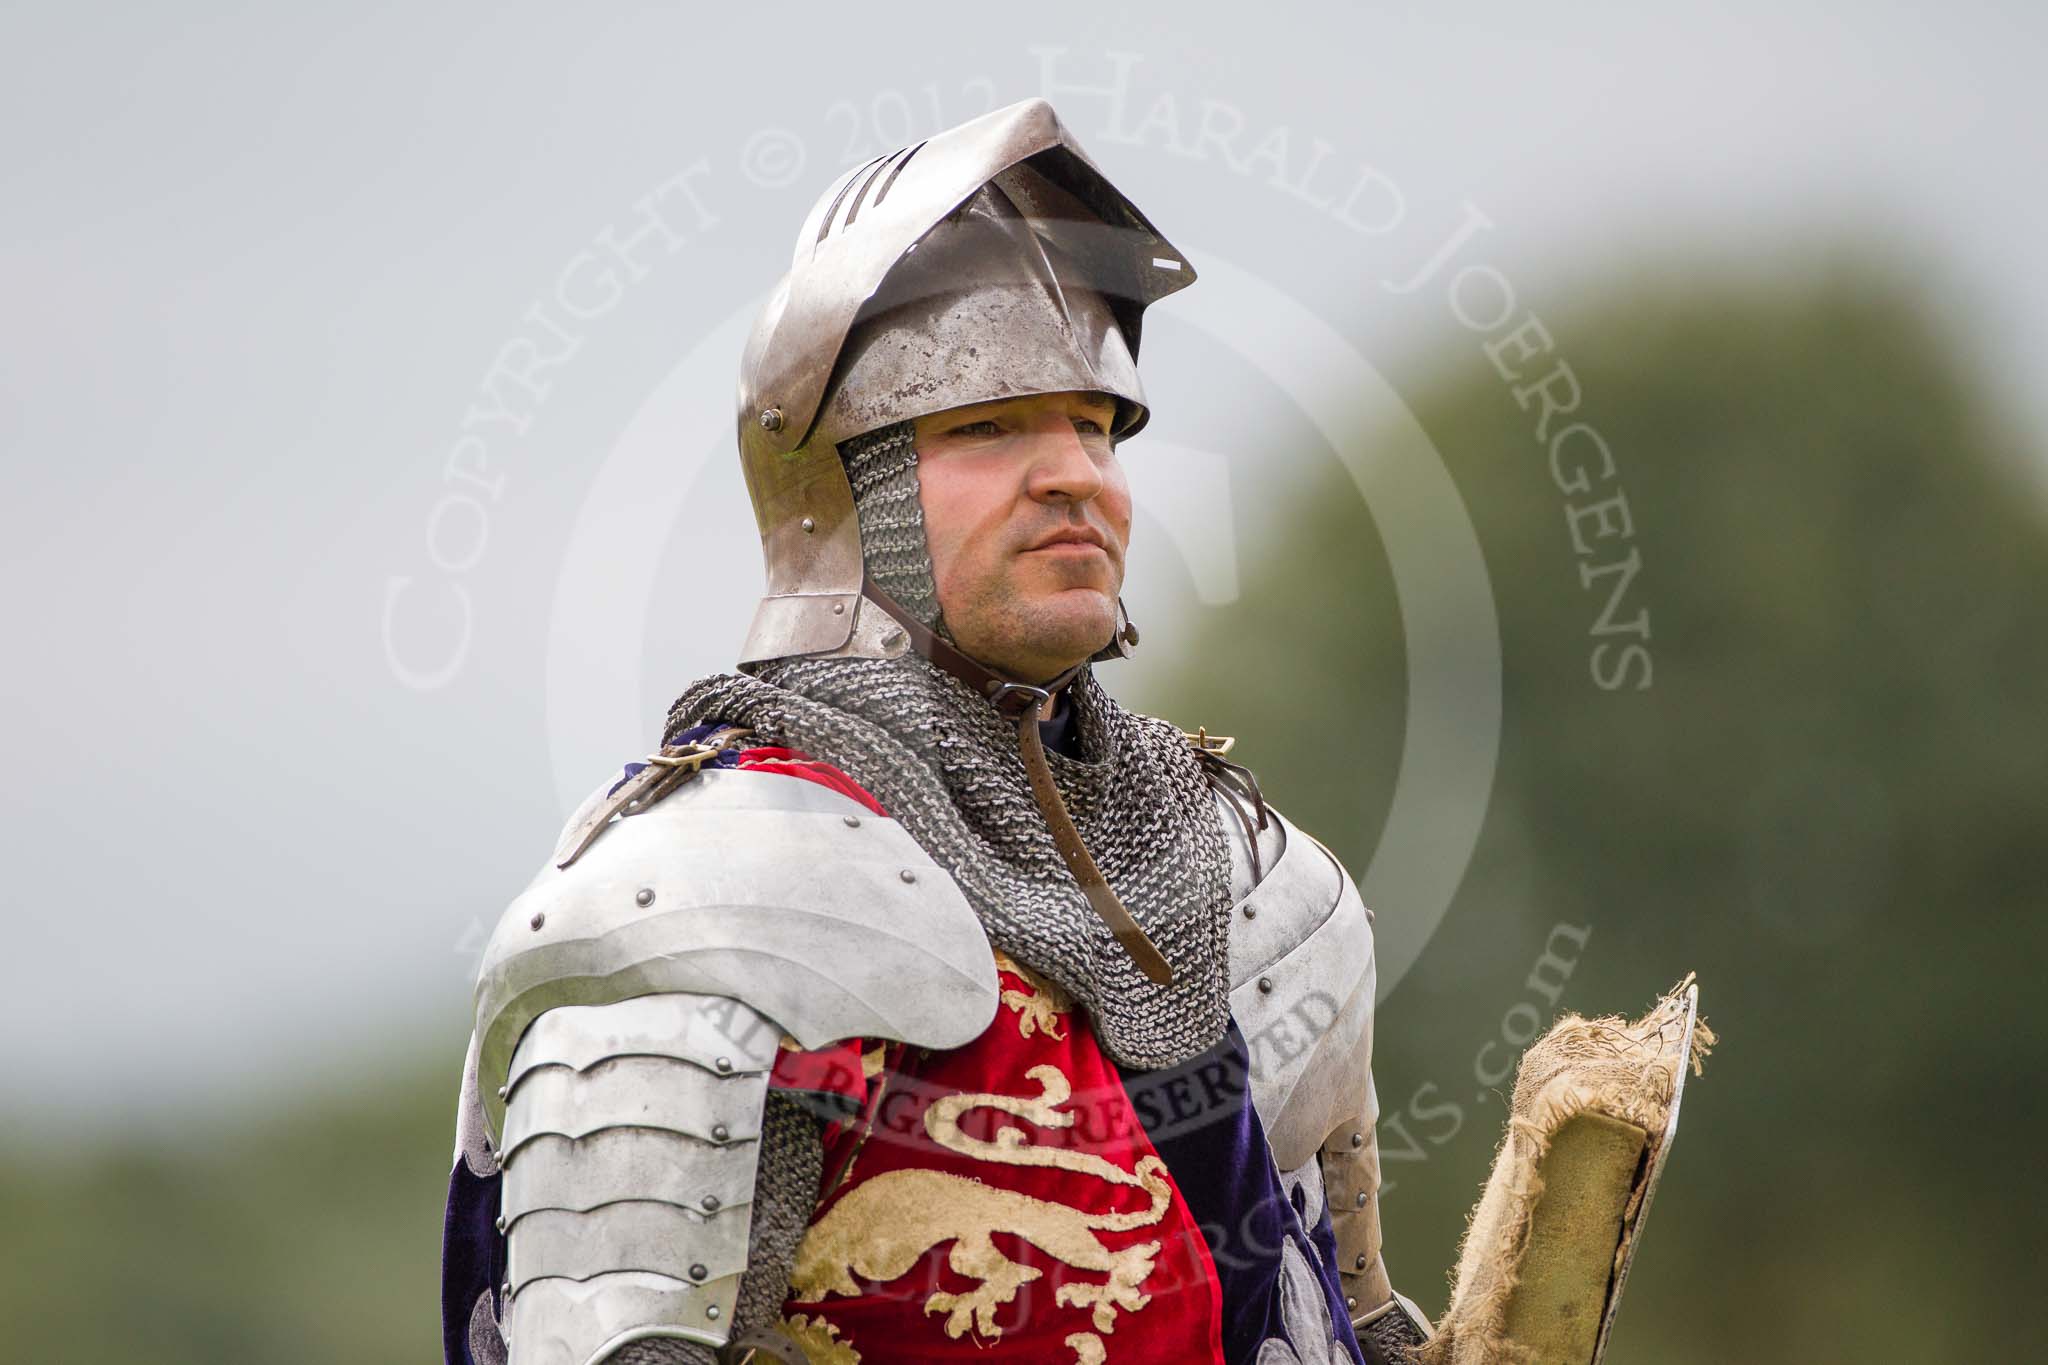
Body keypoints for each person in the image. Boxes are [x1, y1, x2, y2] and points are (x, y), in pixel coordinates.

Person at [441, 97, 1434, 1365]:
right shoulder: (706, 895)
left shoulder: (1256, 886)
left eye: (1094, 424)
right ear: (838, 492)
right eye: (988, 428)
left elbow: (1332, 1325)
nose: (1074, 471)